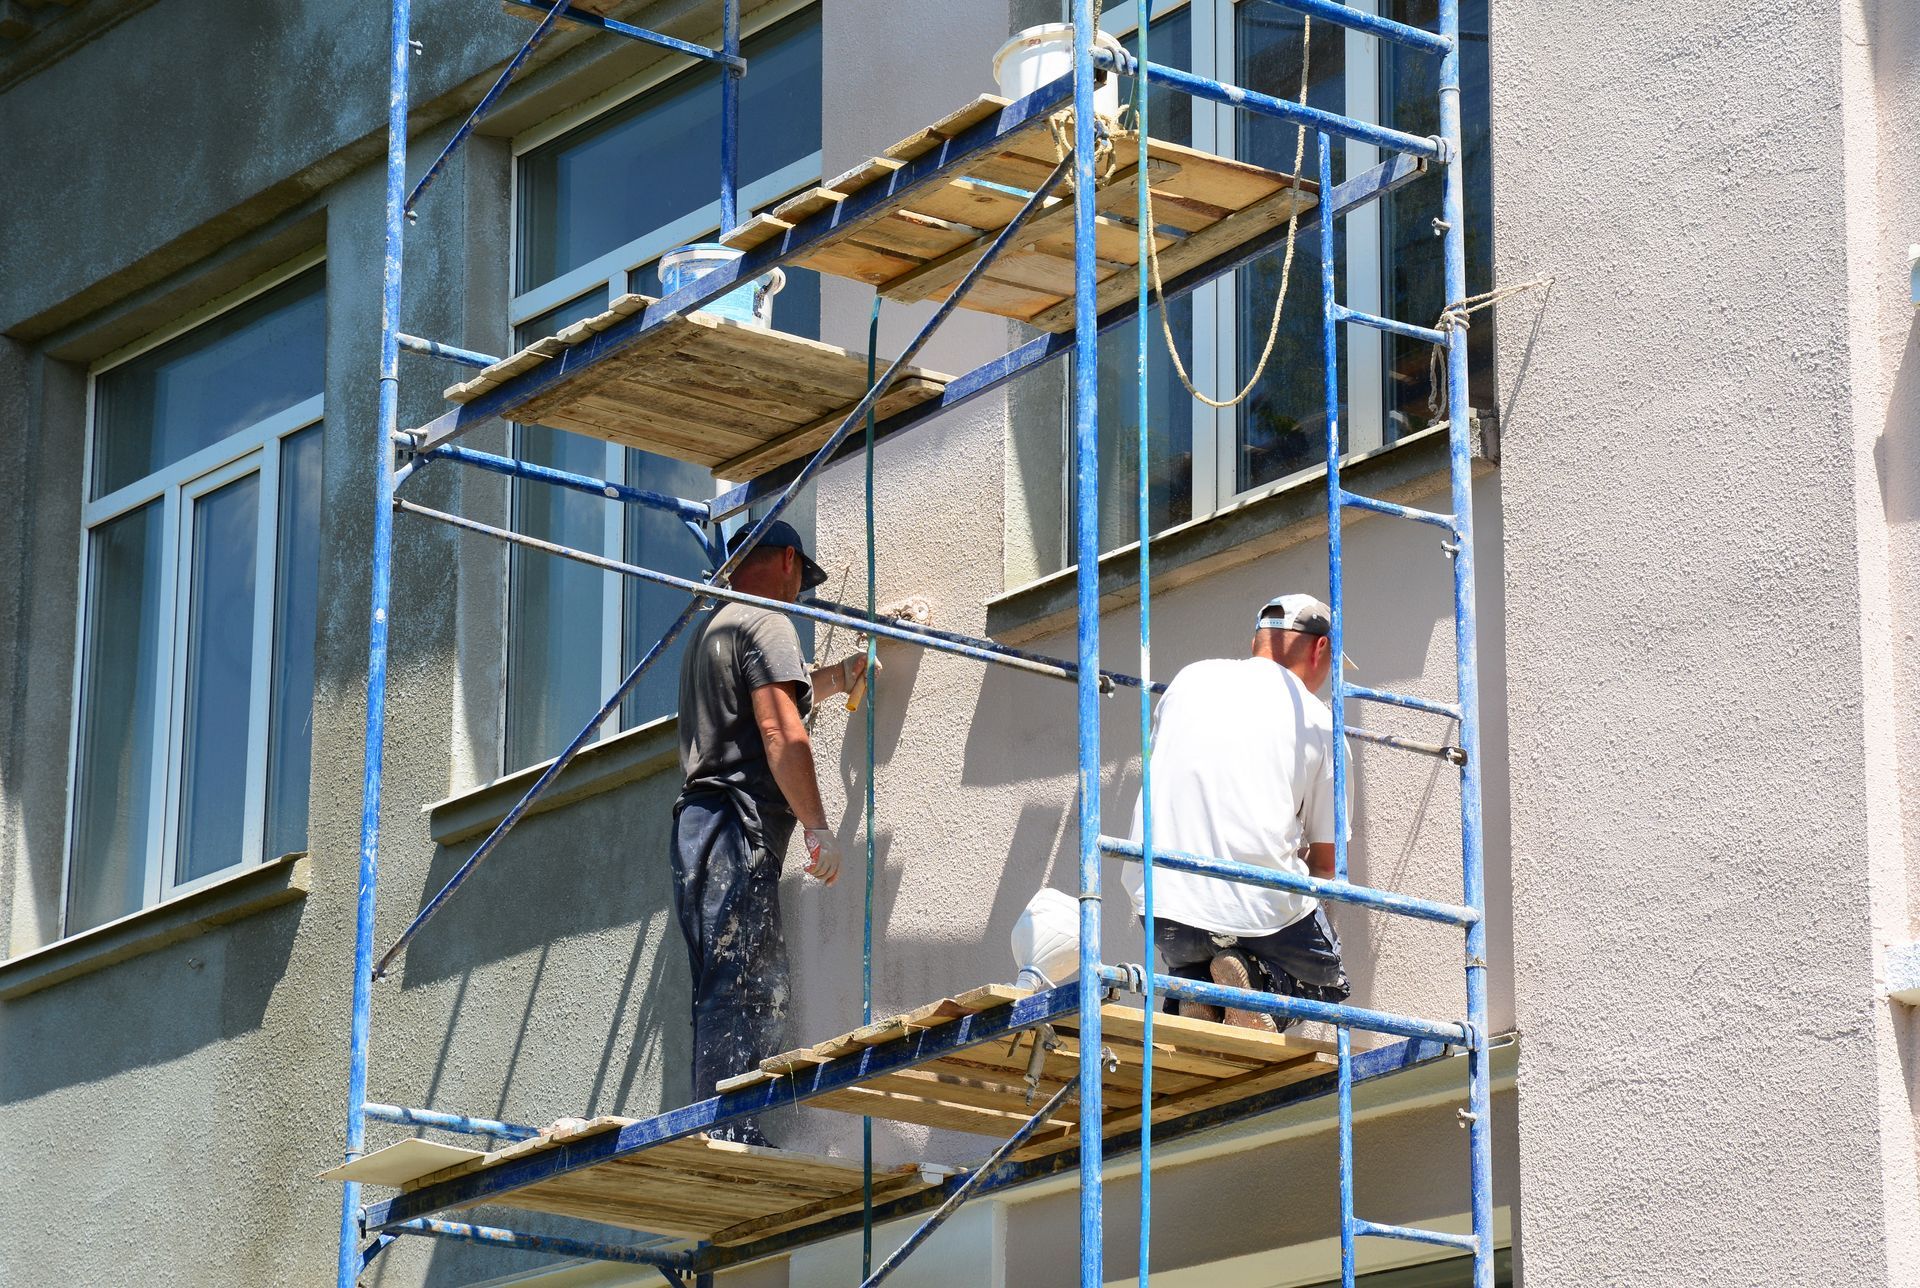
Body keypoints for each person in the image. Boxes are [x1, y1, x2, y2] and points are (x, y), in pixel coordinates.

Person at [670, 519, 870, 1144]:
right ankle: (733, 1134)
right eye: (800, 583)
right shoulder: (767, 621)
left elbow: (784, 690)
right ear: (788, 560)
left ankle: (722, 1125)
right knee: (749, 980)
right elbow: (782, 730)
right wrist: (817, 827)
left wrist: (840, 675)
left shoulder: (714, 630)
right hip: (734, 824)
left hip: (699, 828)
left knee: (725, 980)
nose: (797, 598)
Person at [1124, 593, 1353, 1032]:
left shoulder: (1188, 681)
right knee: (1326, 985)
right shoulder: (1318, 721)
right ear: (1320, 648)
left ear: (1256, 643)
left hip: (1161, 906)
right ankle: (1255, 987)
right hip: (1256, 909)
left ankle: (1196, 996)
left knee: (1201, 955)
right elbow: (1328, 865)